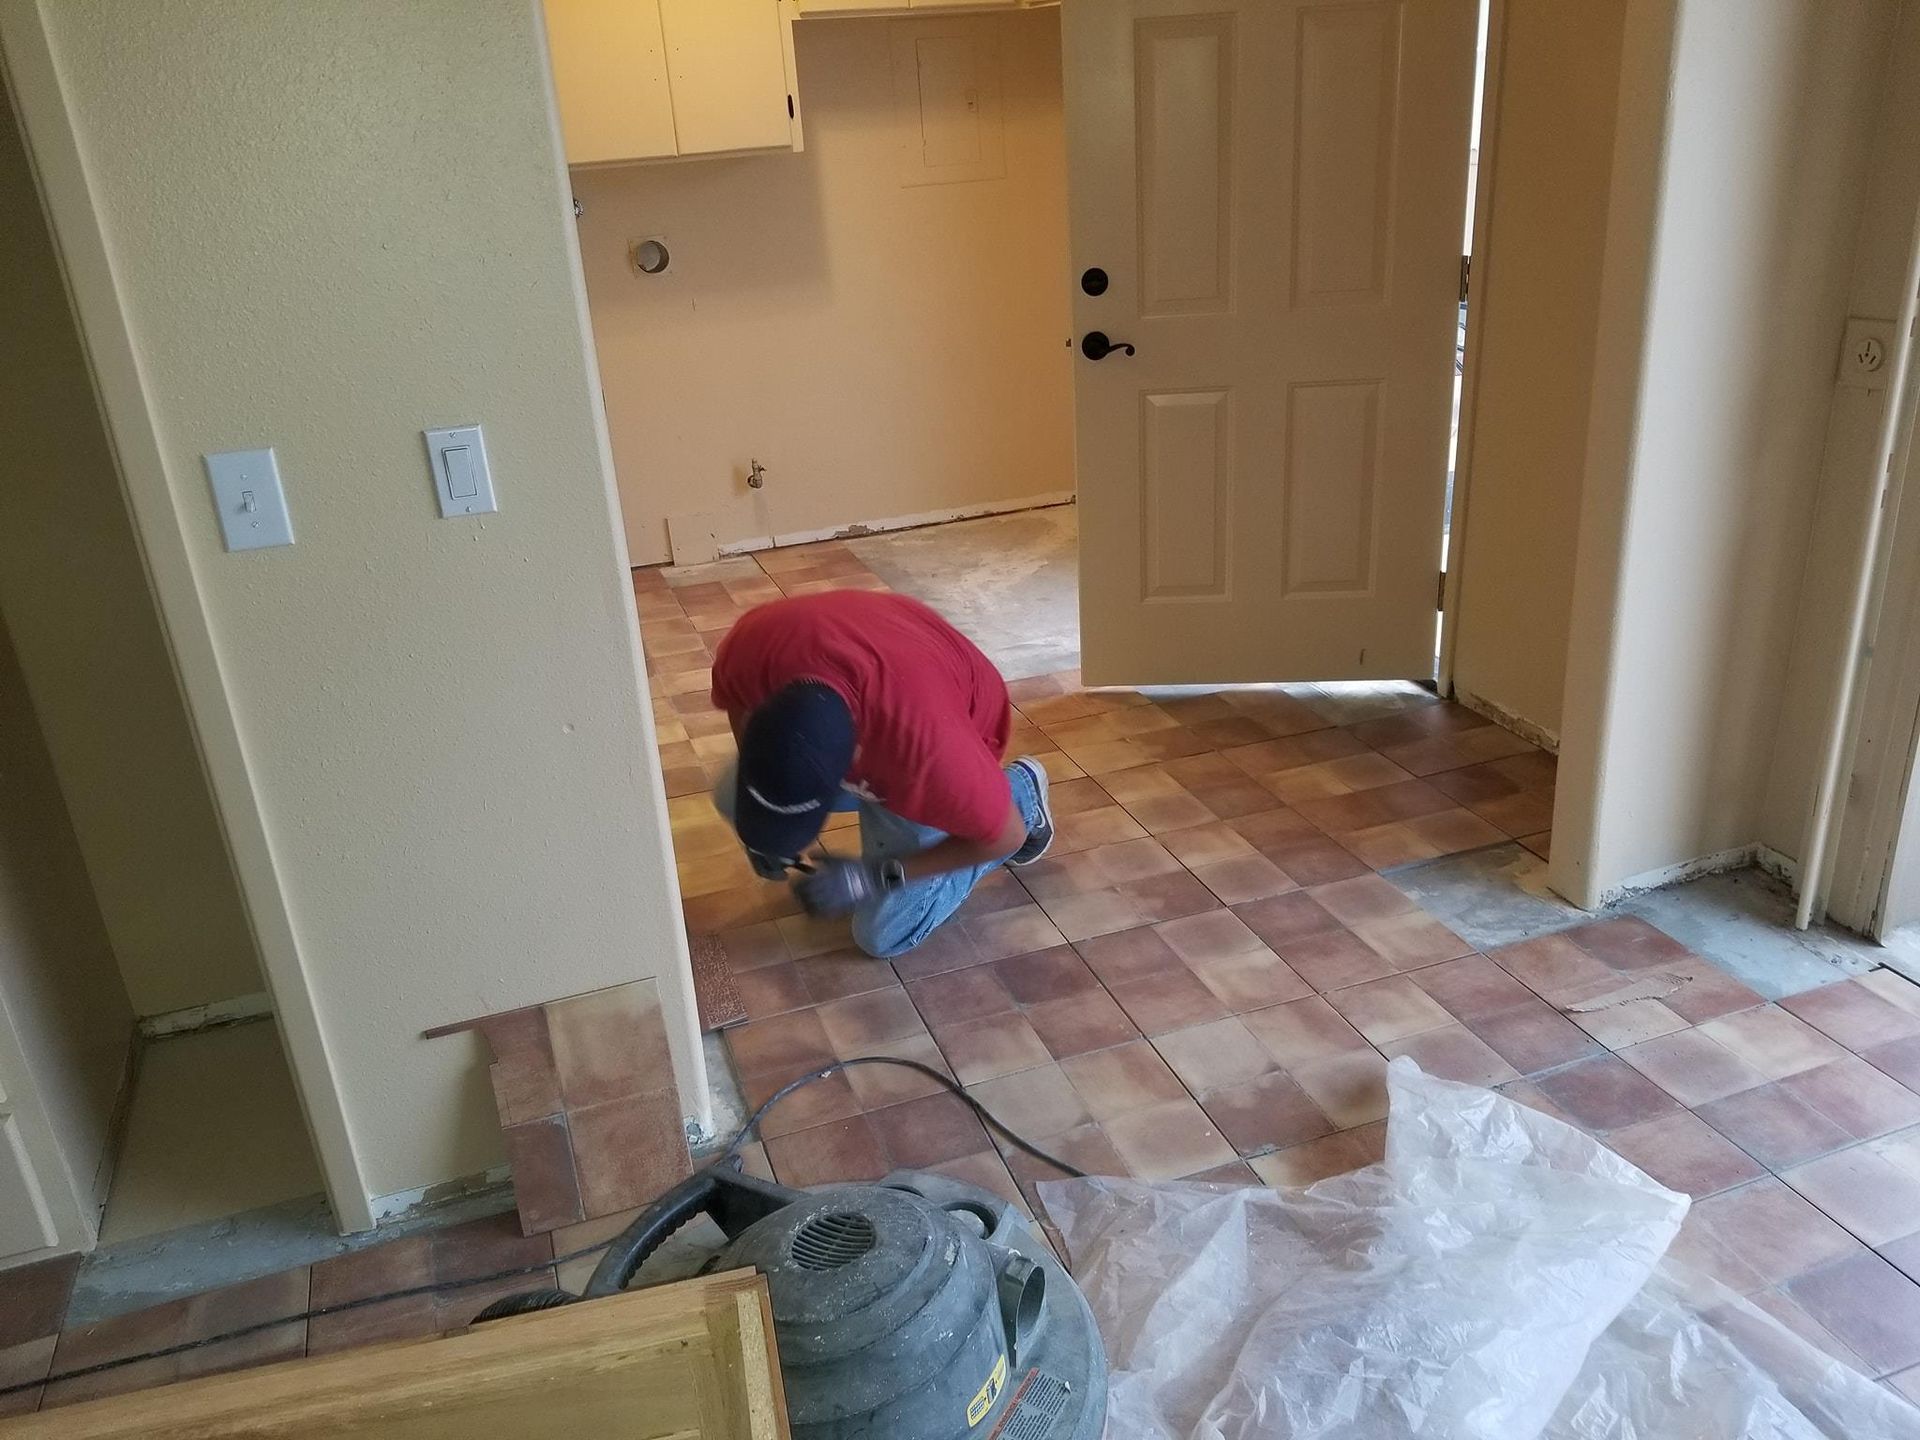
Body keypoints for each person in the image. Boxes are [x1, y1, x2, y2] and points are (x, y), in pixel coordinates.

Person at [708, 590, 1053, 958]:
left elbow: (1007, 837)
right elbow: (739, 703)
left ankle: (1021, 793)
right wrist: (766, 822)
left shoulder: (931, 759)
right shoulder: (750, 650)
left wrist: (875, 876)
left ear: (855, 764)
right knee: (730, 795)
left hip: (945, 720)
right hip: (883, 665)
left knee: (883, 934)